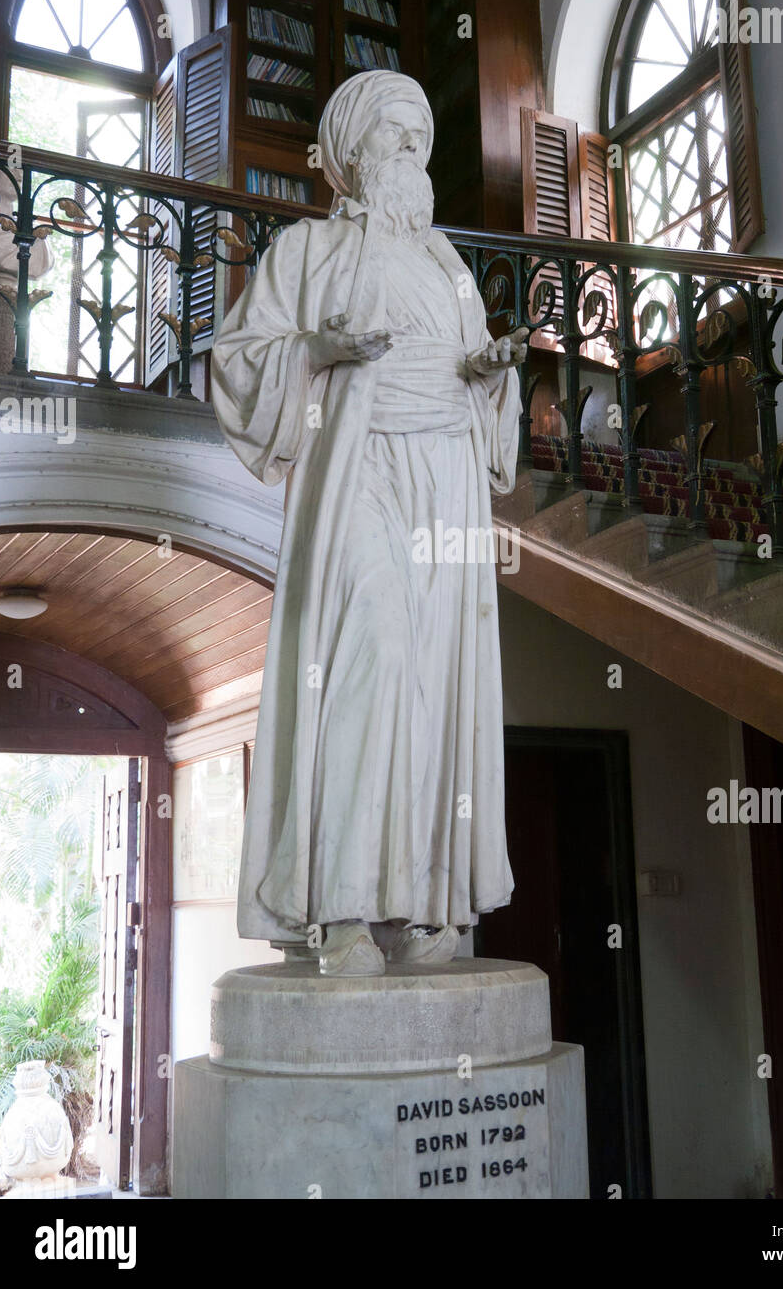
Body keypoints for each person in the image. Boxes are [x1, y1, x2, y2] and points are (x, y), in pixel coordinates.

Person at [211, 71, 526, 976]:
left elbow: (480, 383)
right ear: (349, 153)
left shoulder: (448, 266)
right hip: (359, 466)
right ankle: (341, 905)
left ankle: (425, 903)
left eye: (416, 139)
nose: (406, 152)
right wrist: (316, 349)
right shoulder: (306, 252)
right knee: (372, 653)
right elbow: (237, 361)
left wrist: (495, 372)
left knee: (435, 676)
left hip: (446, 476)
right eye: (389, 135)